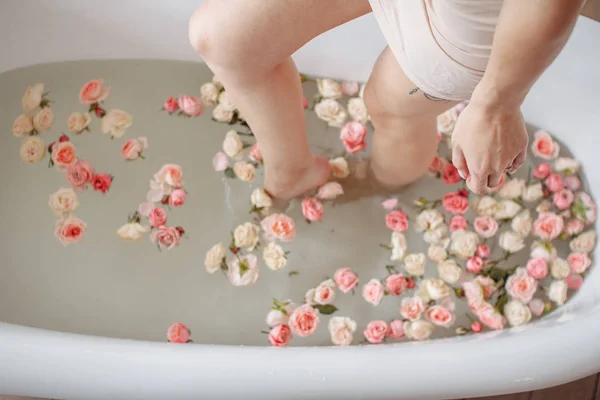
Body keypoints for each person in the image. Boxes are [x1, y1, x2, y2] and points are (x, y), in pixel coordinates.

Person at [188, 0, 585, 199]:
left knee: (389, 105)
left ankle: (386, 187)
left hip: (458, 14)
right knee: (224, 40)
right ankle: (292, 172)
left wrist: (495, 103)